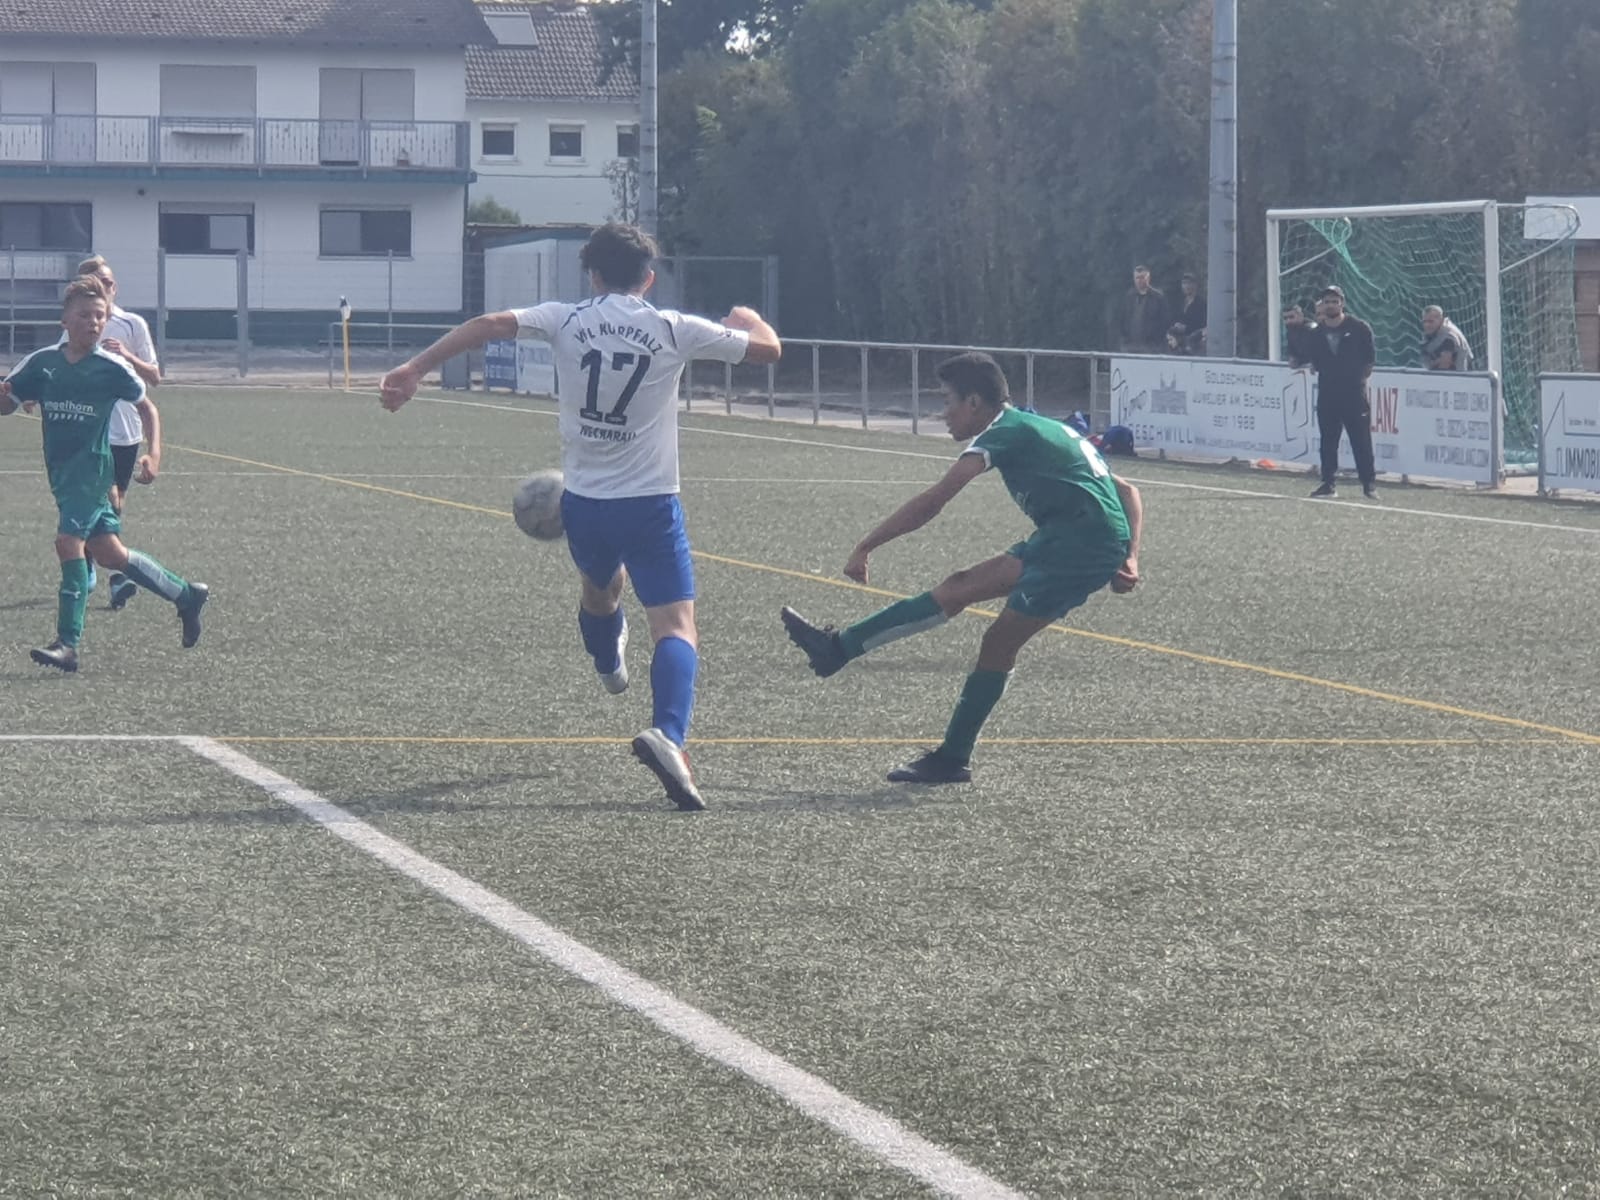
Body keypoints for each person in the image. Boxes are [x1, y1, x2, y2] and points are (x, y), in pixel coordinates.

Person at [377, 223, 781, 812]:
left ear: (590, 273)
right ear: (649, 277)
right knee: (674, 626)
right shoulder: (673, 327)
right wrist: (751, 321)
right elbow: (770, 351)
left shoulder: (566, 318)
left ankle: (606, 663)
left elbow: (489, 325)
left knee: (600, 591)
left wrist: (416, 368)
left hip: (585, 504)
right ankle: (668, 734)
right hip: (651, 503)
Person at [780, 352, 1143, 785]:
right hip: (1072, 538)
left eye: (947, 400)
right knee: (959, 588)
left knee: (998, 643)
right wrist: (1130, 555)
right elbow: (1127, 490)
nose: (944, 412)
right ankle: (837, 649)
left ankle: (952, 758)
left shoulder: (1005, 432)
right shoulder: (1040, 425)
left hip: (1078, 546)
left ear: (974, 402)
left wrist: (866, 545)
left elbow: (936, 499)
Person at [0, 276, 208, 673]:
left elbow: (148, 408)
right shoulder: (43, 363)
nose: (94, 323)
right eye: (85, 315)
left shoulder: (111, 368)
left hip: (93, 473)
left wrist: (155, 454)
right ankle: (185, 595)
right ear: (65, 321)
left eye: (101, 316)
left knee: (67, 543)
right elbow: (7, 402)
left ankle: (68, 644)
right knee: (111, 554)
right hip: (63, 475)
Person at [72, 255, 162, 610]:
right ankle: (116, 575)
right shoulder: (77, 322)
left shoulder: (132, 323)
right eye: (94, 283)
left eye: (107, 283)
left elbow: (154, 376)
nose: (103, 289)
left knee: (113, 504)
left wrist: (127, 354)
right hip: (87, 428)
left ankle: (93, 562)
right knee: (105, 498)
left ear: (115, 287)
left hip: (126, 431)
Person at [1303, 285, 1377, 499]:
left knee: (1361, 440)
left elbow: (1369, 360)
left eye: (1335, 301)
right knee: (1328, 440)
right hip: (1328, 393)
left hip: (1354, 394)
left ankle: (1369, 485)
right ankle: (1328, 483)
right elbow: (1314, 363)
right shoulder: (1316, 333)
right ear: (1322, 305)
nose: (1331, 305)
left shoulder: (1359, 328)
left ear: (1342, 303)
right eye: (1327, 301)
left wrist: (1356, 379)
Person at [1111, 265, 1170, 354]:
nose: (1139, 280)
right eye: (1137, 278)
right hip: (1130, 346)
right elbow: (1122, 319)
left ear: (1148, 278)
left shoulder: (1158, 298)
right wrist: (1124, 340)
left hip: (1151, 347)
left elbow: (1165, 321)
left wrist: (1156, 341)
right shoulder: (1129, 297)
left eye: (1142, 277)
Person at [1420, 305, 1473, 371]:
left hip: (1460, 377)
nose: (1427, 325)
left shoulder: (1448, 337)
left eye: (1431, 321)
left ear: (1441, 320)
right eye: (1424, 321)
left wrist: (1431, 364)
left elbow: (1444, 365)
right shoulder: (1433, 333)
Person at [1170, 272, 1207, 352]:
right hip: (1178, 342)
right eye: (1184, 283)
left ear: (1195, 285)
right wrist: (1176, 324)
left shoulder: (1202, 303)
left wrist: (1186, 328)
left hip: (1195, 343)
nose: (1187, 286)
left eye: (1189, 283)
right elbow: (1174, 318)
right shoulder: (1180, 302)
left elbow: (1203, 324)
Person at [1283, 303, 1318, 368]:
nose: (1288, 321)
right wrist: (1293, 359)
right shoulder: (1290, 332)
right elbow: (1293, 352)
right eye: (1285, 318)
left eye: (1291, 317)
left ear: (1300, 316)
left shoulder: (1312, 330)